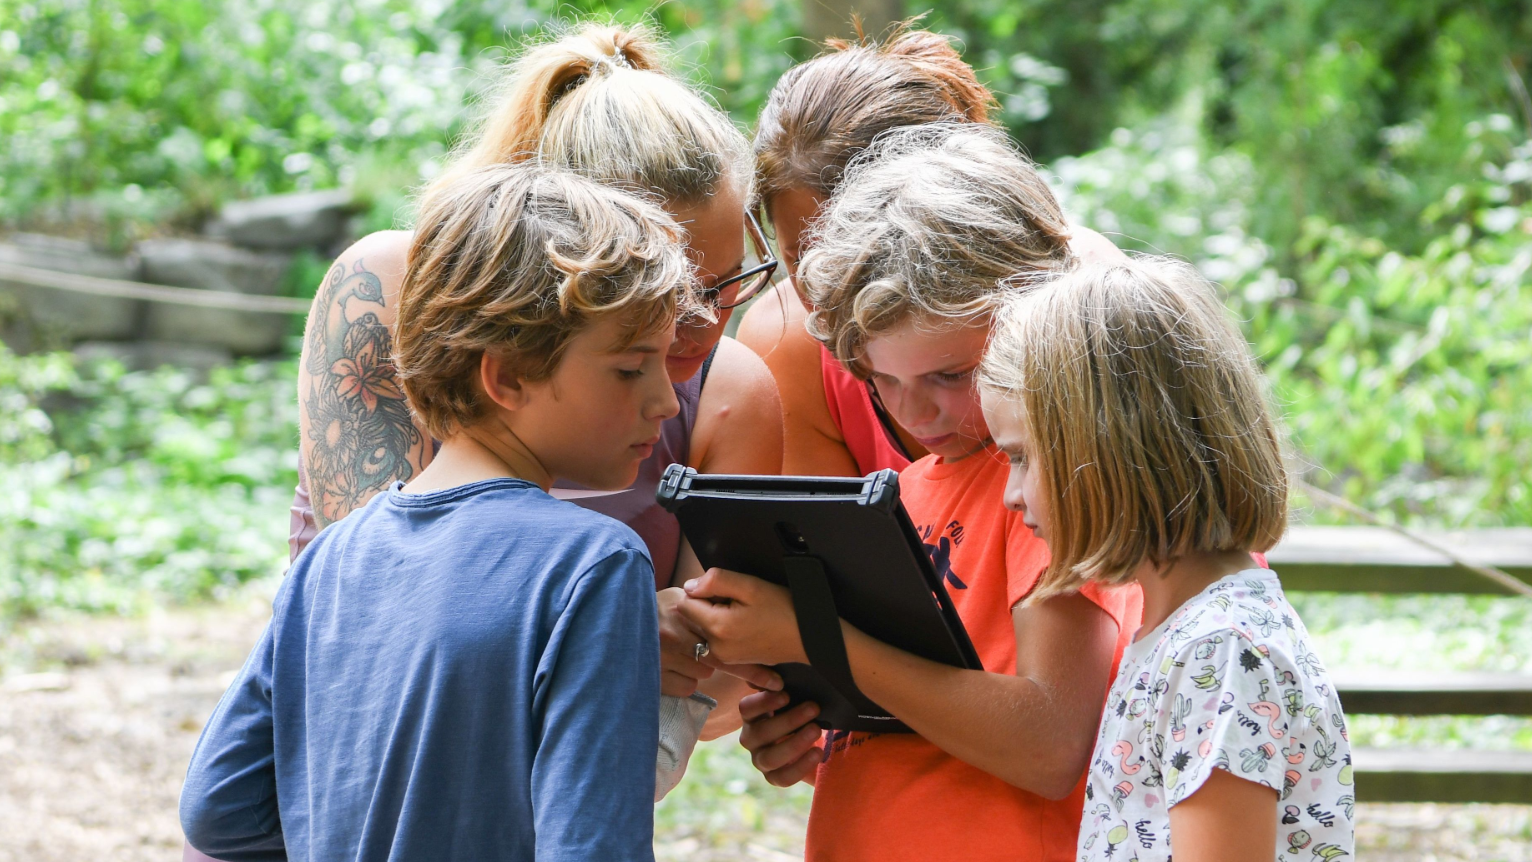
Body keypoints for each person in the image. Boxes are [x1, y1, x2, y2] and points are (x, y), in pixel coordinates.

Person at [181, 162, 694, 861]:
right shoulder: (593, 567)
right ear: (506, 375)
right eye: (631, 369)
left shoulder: (330, 560)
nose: (664, 401)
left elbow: (218, 810)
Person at [291, 21, 782, 727]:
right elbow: (381, 603)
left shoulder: (735, 396)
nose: (706, 323)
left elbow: (718, 685)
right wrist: (613, 629)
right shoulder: (385, 290)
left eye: (730, 279)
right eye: (674, 293)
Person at [677, 124, 1144, 862]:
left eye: (950, 375)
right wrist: (814, 728)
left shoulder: (1047, 488)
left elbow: (1050, 744)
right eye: (881, 379)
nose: (915, 413)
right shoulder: (899, 493)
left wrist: (814, 638)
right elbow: (921, 719)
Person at [975, 257, 1354, 862]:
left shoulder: (1218, 650)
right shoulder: (1184, 633)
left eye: (1023, 457)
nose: (1010, 494)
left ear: (1108, 449)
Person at [736, 24, 1122, 476]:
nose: (836, 290)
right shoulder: (784, 343)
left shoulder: (1083, 299)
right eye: (804, 260)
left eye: (870, 257)